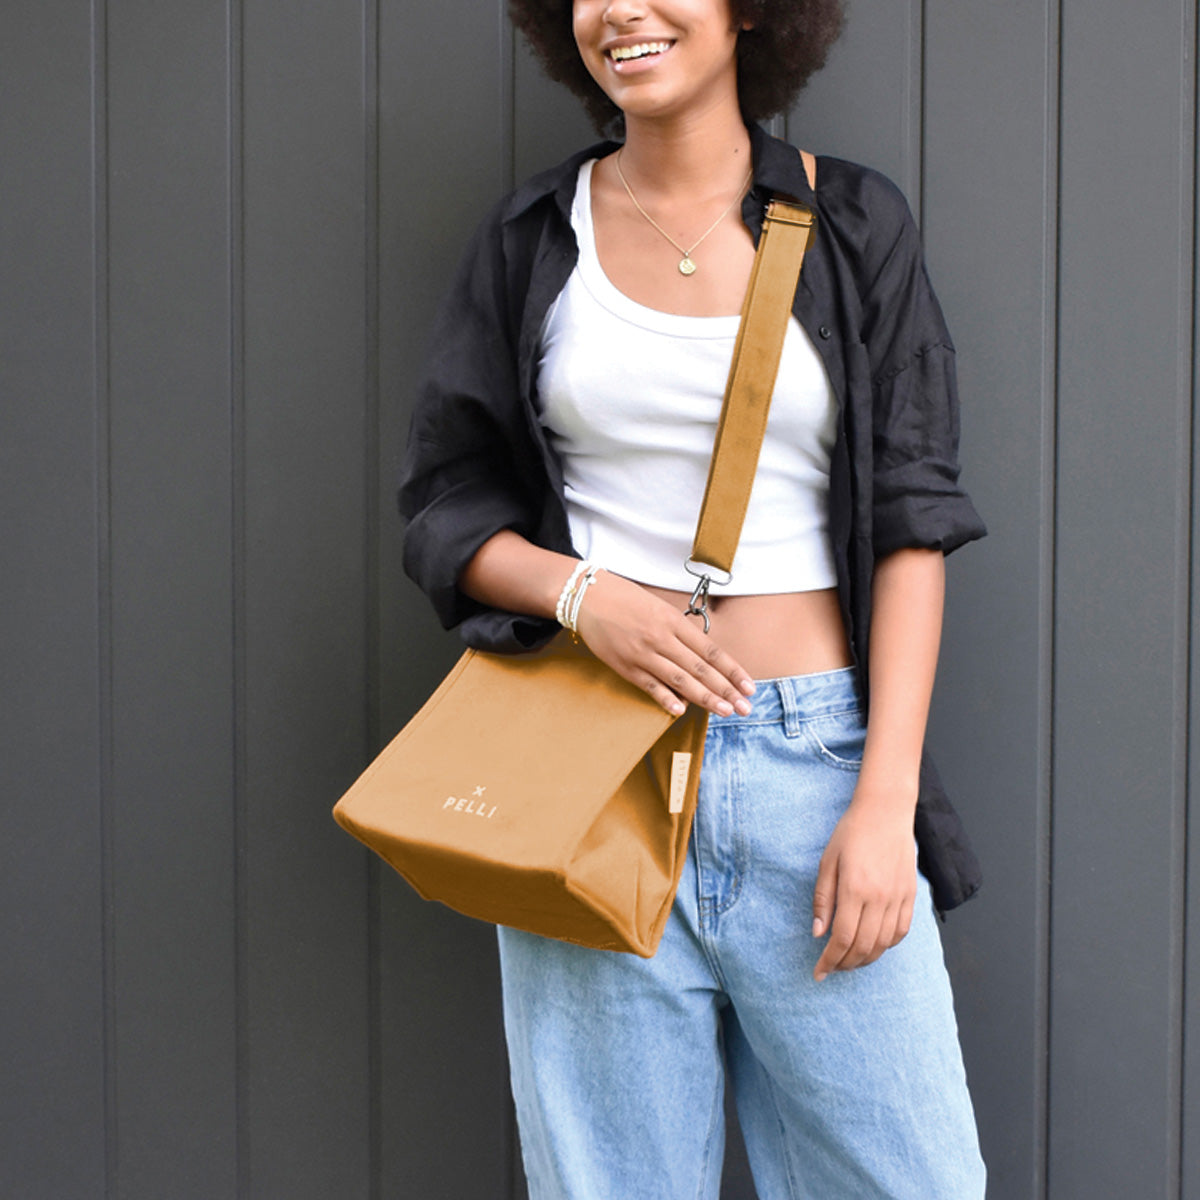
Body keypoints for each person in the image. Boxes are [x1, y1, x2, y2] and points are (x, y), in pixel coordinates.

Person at [399, 0, 988, 1195]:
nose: (621, 11)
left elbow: (914, 527)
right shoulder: (529, 237)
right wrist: (583, 598)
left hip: (814, 769)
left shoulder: (853, 220)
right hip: (589, 775)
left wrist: (884, 808)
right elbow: (445, 506)